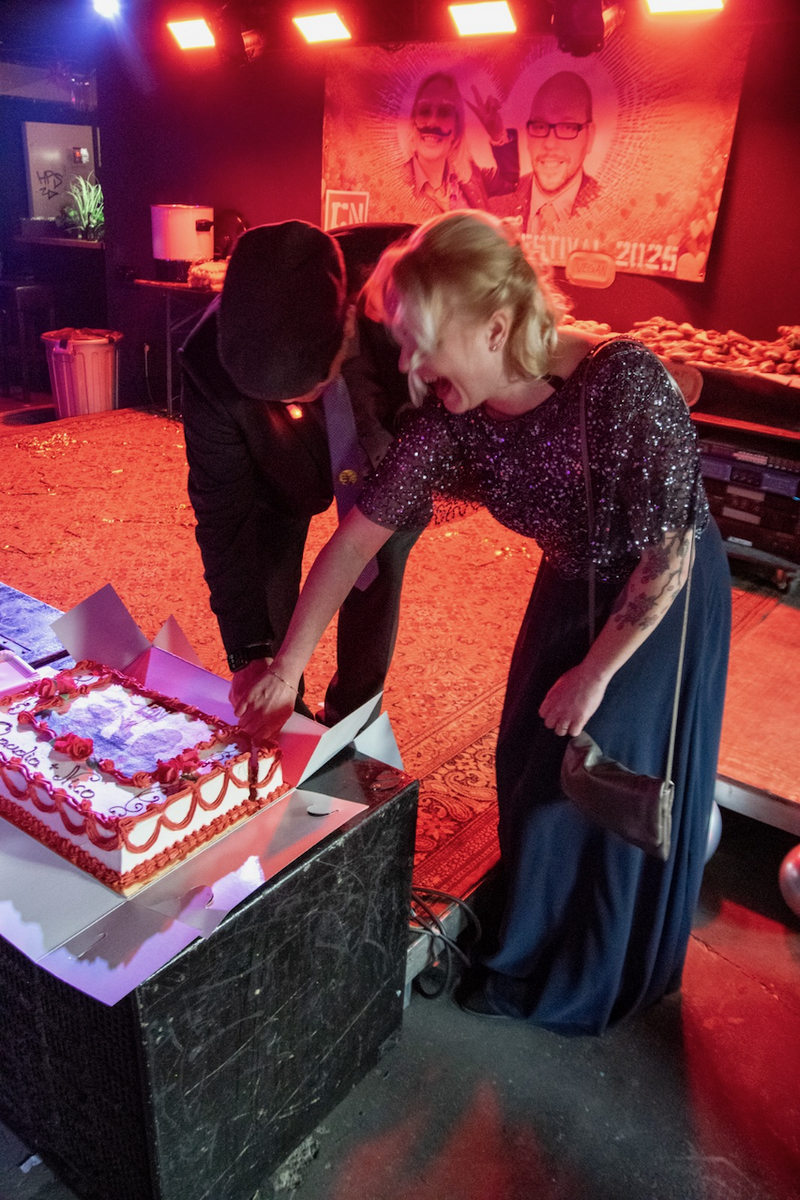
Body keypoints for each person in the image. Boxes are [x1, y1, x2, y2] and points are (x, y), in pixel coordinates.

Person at [235, 209, 731, 1036]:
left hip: (661, 601)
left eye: (422, 343)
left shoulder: (623, 382)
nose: (409, 365)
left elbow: (668, 555)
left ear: (495, 328)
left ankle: (592, 973)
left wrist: (595, 674)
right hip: (572, 577)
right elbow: (355, 541)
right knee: (527, 766)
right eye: (403, 344)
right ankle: (528, 943)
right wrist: (288, 665)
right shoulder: (450, 422)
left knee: (601, 782)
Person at [179, 219, 421, 727]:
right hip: (280, 465)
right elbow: (224, 519)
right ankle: (292, 720)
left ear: (348, 325)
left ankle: (353, 716)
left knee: (378, 560)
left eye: (310, 390)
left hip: (385, 434)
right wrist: (250, 654)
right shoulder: (206, 363)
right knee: (266, 561)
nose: (295, 405)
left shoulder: (409, 295)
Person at [402, 72, 519, 220]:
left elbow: (510, 182)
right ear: (413, 121)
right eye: (424, 111)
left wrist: (497, 133)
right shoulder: (395, 185)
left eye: (444, 113)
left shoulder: (471, 177)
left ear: (456, 128)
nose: (432, 122)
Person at [500, 70, 600, 234]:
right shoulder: (496, 206)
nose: (550, 144)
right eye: (540, 126)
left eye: (567, 127)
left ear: (590, 136)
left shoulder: (613, 209)